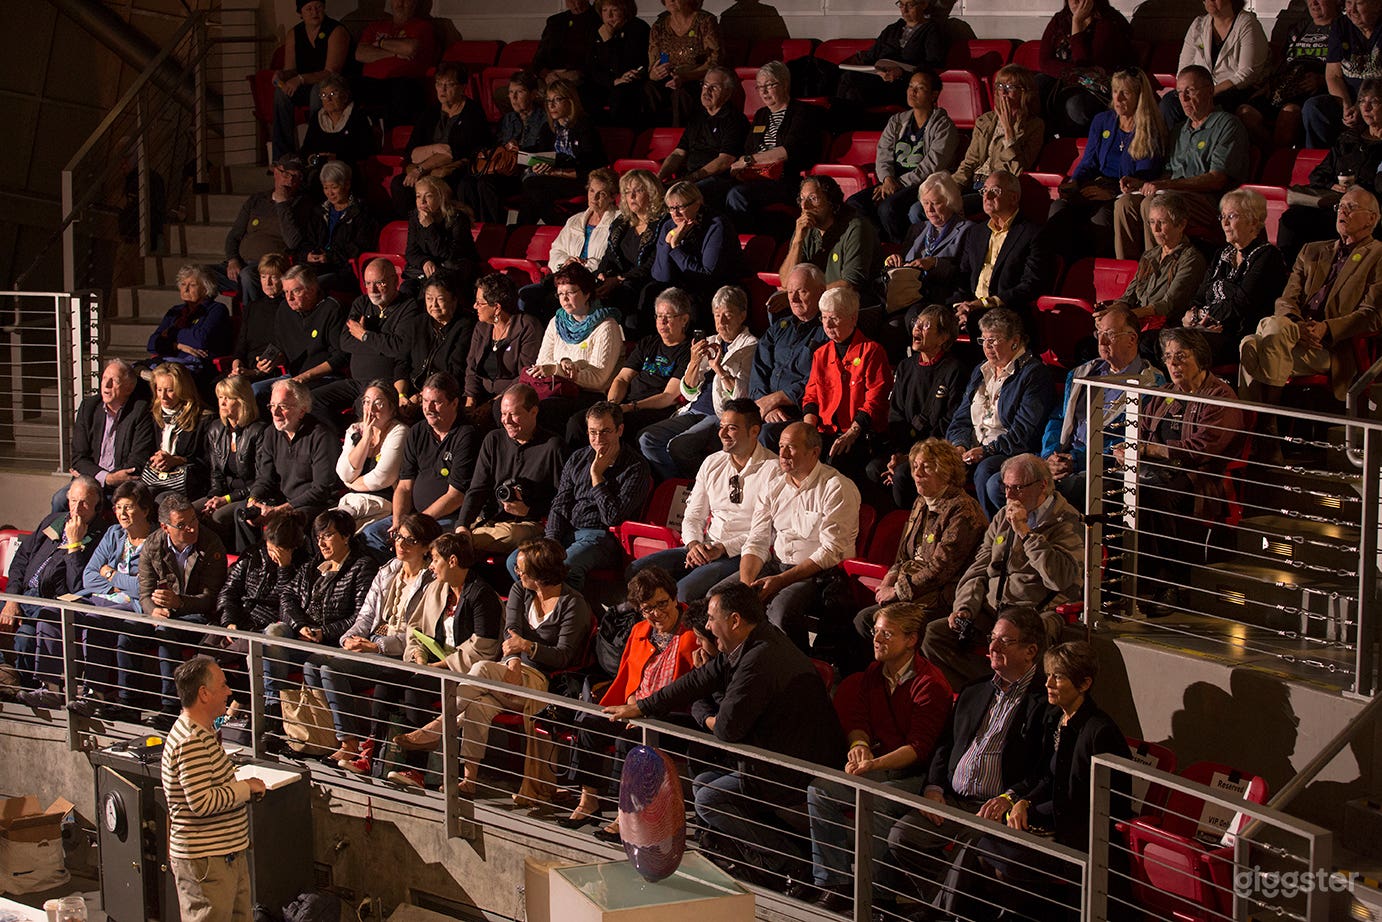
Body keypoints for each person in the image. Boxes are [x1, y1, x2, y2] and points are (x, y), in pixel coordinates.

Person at [603, 581, 846, 890]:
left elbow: (726, 729)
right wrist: (644, 706)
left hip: (791, 767)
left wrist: (703, 713)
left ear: (734, 620)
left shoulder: (762, 659)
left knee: (708, 797)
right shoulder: (749, 643)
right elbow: (699, 680)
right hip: (768, 758)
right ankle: (768, 861)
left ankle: (791, 865)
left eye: (712, 617)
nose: (706, 625)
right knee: (705, 783)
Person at [393, 538, 593, 798]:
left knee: (482, 668)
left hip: (541, 681)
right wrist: (513, 659)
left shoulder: (573, 604)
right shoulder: (521, 591)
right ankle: (469, 779)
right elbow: (512, 628)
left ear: (540, 571)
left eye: (522, 568)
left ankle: (437, 728)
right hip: (508, 671)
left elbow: (564, 656)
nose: (517, 572)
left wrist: (528, 648)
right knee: (477, 707)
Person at [882, 608, 1049, 920]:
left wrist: (1009, 797)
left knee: (967, 855)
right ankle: (950, 910)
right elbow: (945, 744)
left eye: (1005, 642)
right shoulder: (976, 689)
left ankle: (943, 914)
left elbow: (1044, 770)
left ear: (1031, 651)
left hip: (996, 809)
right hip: (953, 801)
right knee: (902, 836)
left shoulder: (1045, 702)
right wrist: (933, 787)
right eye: (992, 639)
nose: (993, 647)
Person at [798, 603, 953, 912]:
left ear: (911, 640)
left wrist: (874, 763)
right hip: (880, 765)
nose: (877, 639)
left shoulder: (931, 685)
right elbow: (859, 720)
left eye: (887, 633)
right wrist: (860, 745)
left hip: (915, 776)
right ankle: (834, 881)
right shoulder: (873, 672)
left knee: (876, 801)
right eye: (876, 632)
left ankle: (878, 896)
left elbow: (918, 749)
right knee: (820, 790)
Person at [974, 641, 1131, 917]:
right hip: (1055, 824)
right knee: (980, 849)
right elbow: (1048, 777)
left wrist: (1030, 809)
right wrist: (1022, 801)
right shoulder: (1056, 718)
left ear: (1084, 684)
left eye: (1058, 677)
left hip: (1083, 841)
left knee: (1003, 865)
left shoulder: (1100, 732)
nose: (1048, 683)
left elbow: (1089, 803)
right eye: (1048, 675)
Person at [923, 455, 1082, 690]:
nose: (1008, 496)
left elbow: (1059, 578)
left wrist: (1025, 533)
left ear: (1043, 485)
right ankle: (986, 690)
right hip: (995, 610)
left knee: (1027, 641)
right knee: (935, 636)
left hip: (1034, 613)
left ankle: (1010, 693)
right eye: (1006, 487)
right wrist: (965, 608)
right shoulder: (1001, 518)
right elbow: (978, 568)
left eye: (1017, 488)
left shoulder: (1067, 521)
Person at [561, 567, 699, 835]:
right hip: (636, 707)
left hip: (674, 716)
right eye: (648, 609)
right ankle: (589, 801)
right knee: (590, 724)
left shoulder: (693, 633)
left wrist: (642, 710)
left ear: (674, 599)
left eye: (662, 604)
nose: (656, 614)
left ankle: (626, 815)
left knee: (629, 739)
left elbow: (692, 689)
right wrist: (632, 700)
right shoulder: (639, 630)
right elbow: (628, 677)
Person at [306, 513, 446, 773]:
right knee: (312, 664)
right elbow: (366, 616)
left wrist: (377, 647)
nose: (401, 545)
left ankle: (350, 741)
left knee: (330, 669)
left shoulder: (433, 581)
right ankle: (334, 737)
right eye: (398, 537)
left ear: (427, 547)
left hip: (397, 652)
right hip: (372, 642)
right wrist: (349, 638)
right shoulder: (388, 570)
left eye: (410, 540)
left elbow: (421, 634)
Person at [1122, 329, 1244, 611]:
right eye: (1168, 358)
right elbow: (1139, 431)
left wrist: (1150, 451)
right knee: (1107, 490)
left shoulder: (1220, 397)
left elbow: (1200, 449)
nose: (1173, 365)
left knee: (1153, 498)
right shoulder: (1164, 394)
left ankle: (1167, 583)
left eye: (1181, 357)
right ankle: (1128, 577)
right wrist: (1125, 450)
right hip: (1154, 471)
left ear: (1200, 358)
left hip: (1198, 476)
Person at [1241, 186, 1382, 421]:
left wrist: (1326, 328)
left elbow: (1372, 314)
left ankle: (1254, 431)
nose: (1342, 211)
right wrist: (1297, 325)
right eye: (1340, 206)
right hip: (1294, 335)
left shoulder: (1378, 255)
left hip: (1330, 348)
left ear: (1371, 219)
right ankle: (1266, 431)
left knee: (1252, 346)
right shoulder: (1313, 250)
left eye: (1351, 207)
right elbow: (1287, 299)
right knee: (1259, 340)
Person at [725, 420, 861, 649]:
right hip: (776, 565)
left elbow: (830, 552)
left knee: (780, 614)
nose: (783, 454)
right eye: (780, 447)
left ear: (814, 452)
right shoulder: (774, 486)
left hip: (816, 574)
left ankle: (797, 669)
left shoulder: (836, 487)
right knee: (720, 600)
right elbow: (757, 539)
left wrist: (780, 581)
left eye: (791, 447)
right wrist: (746, 585)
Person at [385, 531, 506, 788]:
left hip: (465, 673)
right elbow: (414, 627)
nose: (431, 565)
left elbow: (484, 647)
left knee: (416, 689)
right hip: (429, 663)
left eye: (435, 559)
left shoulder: (481, 595)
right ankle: (370, 758)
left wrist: (438, 666)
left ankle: (416, 771)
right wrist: (417, 654)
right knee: (385, 681)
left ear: (452, 561)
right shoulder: (436, 588)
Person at [629, 399, 779, 599]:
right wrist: (694, 544)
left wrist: (722, 548)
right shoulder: (712, 462)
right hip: (705, 545)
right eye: (721, 427)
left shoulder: (774, 469)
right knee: (636, 572)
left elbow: (768, 532)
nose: (722, 434)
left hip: (742, 554)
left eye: (732, 428)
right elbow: (693, 515)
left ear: (754, 431)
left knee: (683, 593)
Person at [161, 656, 266, 922]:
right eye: (223, 686)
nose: (229, 692)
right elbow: (202, 802)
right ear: (204, 693)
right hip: (207, 862)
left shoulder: (203, 732)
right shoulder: (190, 741)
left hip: (225, 856)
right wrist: (245, 788)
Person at [1113, 65, 1251, 260]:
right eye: (1179, 93)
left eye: (1190, 91)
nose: (1183, 99)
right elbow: (1168, 174)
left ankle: (1158, 272)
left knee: (1153, 204)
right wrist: (1141, 184)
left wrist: (1165, 185)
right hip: (1174, 195)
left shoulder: (1227, 124)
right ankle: (1134, 276)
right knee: (1125, 204)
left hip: (1209, 201)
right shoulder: (1179, 130)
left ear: (1210, 90)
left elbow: (1216, 179)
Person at [855, 439, 987, 638]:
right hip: (915, 593)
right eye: (915, 466)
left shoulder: (962, 510)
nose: (917, 473)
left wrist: (897, 592)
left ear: (946, 472)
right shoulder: (921, 501)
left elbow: (940, 568)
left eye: (926, 467)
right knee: (859, 615)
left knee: (868, 620)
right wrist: (888, 581)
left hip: (942, 597)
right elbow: (903, 556)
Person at [1044, 304, 1166, 508]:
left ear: (1132, 339)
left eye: (1110, 334)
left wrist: (1075, 460)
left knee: (1059, 489)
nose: (1101, 341)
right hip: (1062, 457)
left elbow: (1128, 440)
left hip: (1101, 465)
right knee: (1004, 480)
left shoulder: (1150, 385)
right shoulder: (1081, 373)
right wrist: (1050, 454)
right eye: (1099, 333)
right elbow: (1057, 419)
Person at [265, 510, 379, 730]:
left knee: (275, 650)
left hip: (330, 642)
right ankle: (273, 709)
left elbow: (360, 616)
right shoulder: (314, 564)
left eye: (327, 535)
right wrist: (301, 625)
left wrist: (323, 632)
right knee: (274, 632)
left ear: (346, 536)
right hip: (303, 635)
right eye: (318, 537)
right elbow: (287, 596)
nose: (321, 543)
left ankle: (285, 722)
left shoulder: (362, 566)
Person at [1, 476, 104, 706]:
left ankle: (21, 689)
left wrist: (75, 546)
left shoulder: (100, 536)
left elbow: (77, 585)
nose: (77, 508)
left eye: (85, 503)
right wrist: (12, 599)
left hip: (51, 603)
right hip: (23, 595)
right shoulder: (53, 520)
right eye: (73, 501)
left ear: (96, 506)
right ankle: (4, 673)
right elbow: (20, 561)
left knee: (26, 638)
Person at [637, 285, 757, 479]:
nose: (722, 321)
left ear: (742, 315)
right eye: (717, 315)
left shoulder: (750, 346)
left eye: (728, 314)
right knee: (646, 439)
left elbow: (741, 396)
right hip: (693, 409)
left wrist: (718, 368)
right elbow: (688, 392)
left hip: (720, 415)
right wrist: (694, 361)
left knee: (679, 446)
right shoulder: (710, 341)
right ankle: (677, 485)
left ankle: (695, 487)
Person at [1048, 68, 1169, 259]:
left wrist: (1112, 193)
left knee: (1101, 218)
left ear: (1139, 95)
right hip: (1096, 184)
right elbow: (1089, 161)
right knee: (1059, 209)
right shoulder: (1102, 120)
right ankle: (1063, 271)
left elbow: (1145, 176)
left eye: (1125, 93)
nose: (1118, 98)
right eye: (1115, 91)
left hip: (1125, 193)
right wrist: (1075, 181)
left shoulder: (1150, 128)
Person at [529, 402, 651, 590]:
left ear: (620, 430)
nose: (598, 439)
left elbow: (612, 517)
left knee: (564, 567)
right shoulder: (577, 458)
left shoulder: (636, 467)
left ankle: (572, 614)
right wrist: (551, 541)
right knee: (520, 562)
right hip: (568, 532)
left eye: (605, 431)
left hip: (604, 538)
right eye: (593, 432)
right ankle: (541, 612)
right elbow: (560, 504)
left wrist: (596, 476)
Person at [946, 308, 1054, 517]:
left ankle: (995, 533)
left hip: (1009, 451)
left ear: (1014, 341)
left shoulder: (1034, 374)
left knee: (986, 471)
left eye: (993, 340)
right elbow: (960, 418)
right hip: (973, 448)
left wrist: (987, 451)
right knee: (934, 465)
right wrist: (959, 445)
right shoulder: (981, 370)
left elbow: (1024, 432)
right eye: (983, 340)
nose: (987, 346)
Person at [132, 494, 230, 725]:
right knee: (129, 633)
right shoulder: (152, 545)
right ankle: (127, 703)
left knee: (168, 634)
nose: (191, 528)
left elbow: (210, 598)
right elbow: (144, 592)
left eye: (193, 521)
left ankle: (169, 707)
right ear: (166, 527)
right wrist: (152, 610)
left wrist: (179, 603)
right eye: (182, 525)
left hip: (198, 614)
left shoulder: (211, 543)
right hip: (163, 613)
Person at [362, 372, 476, 554]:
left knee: (420, 542)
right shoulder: (417, 431)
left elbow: (455, 496)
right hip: (414, 517)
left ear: (454, 403)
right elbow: (404, 486)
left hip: (447, 518)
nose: (428, 408)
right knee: (371, 535)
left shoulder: (466, 436)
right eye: (424, 401)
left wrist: (414, 524)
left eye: (436, 402)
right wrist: (399, 521)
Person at [70, 481, 158, 716]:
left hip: (134, 607)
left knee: (97, 619)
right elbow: (88, 576)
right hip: (103, 598)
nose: (122, 513)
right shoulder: (114, 533)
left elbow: (145, 588)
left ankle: (94, 694)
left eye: (128, 507)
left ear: (145, 510)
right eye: (118, 508)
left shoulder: (157, 540)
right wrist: (117, 588)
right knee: (53, 613)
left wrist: (110, 574)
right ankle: (49, 688)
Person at [868, 305, 968, 510]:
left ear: (943, 338)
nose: (917, 329)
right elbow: (895, 413)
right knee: (873, 468)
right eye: (916, 324)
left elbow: (949, 421)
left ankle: (912, 526)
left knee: (904, 474)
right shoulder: (906, 366)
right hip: (904, 446)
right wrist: (898, 454)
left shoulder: (954, 370)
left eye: (926, 326)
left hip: (934, 451)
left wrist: (912, 457)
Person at [848, 69, 962, 244]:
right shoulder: (896, 121)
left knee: (888, 209)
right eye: (910, 86)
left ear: (934, 95)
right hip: (891, 183)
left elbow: (933, 165)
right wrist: (887, 179)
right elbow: (883, 154)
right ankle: (880, 245)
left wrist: (899, 183)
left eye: (920, 88)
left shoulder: (944, 126)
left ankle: (902, 250)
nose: (912, 91)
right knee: (855, 203)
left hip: (921, 184)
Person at [1179, 188, 1289, 366]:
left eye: (1231, 216)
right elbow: (1199, 297)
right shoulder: (1221, 255)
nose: (1224, 223)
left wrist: (1206, 317)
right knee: (1151, 341)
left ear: (1253, 221)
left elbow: (1241, 303)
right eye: (1222, 217)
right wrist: (1193, 317)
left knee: (1182, 348)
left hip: (1239, 336)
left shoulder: (1267, 255)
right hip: (1207, 329)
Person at [1277, 77, 1382, 263]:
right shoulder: (1348, 140)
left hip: (1367, 212)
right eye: (1362, 101)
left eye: (1374, 102)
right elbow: (1317, 175)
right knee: (1291, 219)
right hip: (1334, 206)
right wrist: (1333, 185)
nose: (1365, 108)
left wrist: (1359, 192)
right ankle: (1289, 274)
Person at [455, 383, 566, 557]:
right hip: (491, 519)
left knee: (511, 535)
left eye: (513, 414)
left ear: (533, 412)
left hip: (529, 523)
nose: (506, 421)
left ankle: (458, 544)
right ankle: (462, 540)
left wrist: (529, 510)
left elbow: (563, 501)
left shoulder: (552, 446)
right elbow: (477, 489)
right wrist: (462, 525)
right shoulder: (494, 439)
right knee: (460, 528)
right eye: (503, 414)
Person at [313, 258, 421, 426]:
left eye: (379, 283)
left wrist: (364, 335)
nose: (372, 289)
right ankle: (342, 435)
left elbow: (399, 347)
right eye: (368, 283)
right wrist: (382, 343)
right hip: (355, 382)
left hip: (384, 385)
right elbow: (345, 342)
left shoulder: (408, 306)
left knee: (364, 410)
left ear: (394, 281)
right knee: (312, 401)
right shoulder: (361, 303)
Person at [720, 62, 826, 234]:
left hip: (786, 180)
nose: (763, 91)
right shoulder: (762, 114)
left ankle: (747, 245)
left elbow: (787, 151)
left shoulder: (802, 112)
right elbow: (749, 148)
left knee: (737, 195)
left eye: (769, 85)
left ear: (785, 84)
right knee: (714, 188)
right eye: (760, 87)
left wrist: (748, 161)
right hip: (756, 175)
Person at [946, 170, 1052, 337]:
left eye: (995, 191)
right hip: (972, 308)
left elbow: (1031, 284)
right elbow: (963, 276)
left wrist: (982, 305)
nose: (986, 196)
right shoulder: (976, 232)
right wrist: (961, 306)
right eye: (984, 190)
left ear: (1014, 198)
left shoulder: (1033, 233)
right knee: (930, 317)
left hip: (1007, 311)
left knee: (976, 321)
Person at [800, 287, 892, 473]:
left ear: (853, 318)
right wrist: (807, 429)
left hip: (860, 433)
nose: (828, 324)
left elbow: (876, 399)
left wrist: (853, 431)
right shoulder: (821, 353)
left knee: (833, 463)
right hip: (825, 430)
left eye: (834, 318)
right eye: (824, 318)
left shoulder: (872, 351)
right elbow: (811, 395)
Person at [243, 379, 341, 549]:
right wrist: (254, 499)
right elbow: (264, 478)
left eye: (283, 406)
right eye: (272, 406)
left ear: (302, 410)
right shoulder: (270, 433)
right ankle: (253, 564)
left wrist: (280, 510)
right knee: (242, 514)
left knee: (288, 523)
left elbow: (321, 489)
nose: (275, 412)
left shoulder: (322, 436)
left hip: (314, 504)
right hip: (283, 500)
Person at [529, 263, 626, 435]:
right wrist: (564, 365)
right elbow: (542, 363)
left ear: (587, 293)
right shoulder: (556, 322)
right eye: (560, 294)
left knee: (542, 411)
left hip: (589, 395)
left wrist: (557, 370)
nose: (564, 299)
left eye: (571, 292)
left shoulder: (606, 326)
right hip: (558, 388)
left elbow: (598, 379)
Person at [392, 63, 493, 219]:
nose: (442, 89)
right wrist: (434, 150)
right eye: (439, 84)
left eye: (449, 85)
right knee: (400, 184)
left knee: (463, 184)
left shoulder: (473, 112)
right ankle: (412, 230)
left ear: (462, 87)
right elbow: (411, 153)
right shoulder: (430, 113)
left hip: (459, 170)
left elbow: (453, 153)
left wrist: (421, 168)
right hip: (430, 171)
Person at [518, 168, 619, 319]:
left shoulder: (619, 221)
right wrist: (565, 262)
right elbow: (556, 250)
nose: (594, 197)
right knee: (525, 296)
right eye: (591, 191)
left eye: (602, 194)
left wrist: (582, 266)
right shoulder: (575, 220)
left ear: (612, 197)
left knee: (550, 302)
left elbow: (612, 258)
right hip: (564, 277)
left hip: (592, 280)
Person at [1236, 0, 1339, 147]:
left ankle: (1279, 162)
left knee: (1289, 113)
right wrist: (1270, 81)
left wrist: (1323, 80)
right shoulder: (1298, 28)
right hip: (1284, 88)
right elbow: (1281, 61)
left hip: (1313, 92)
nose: (1314, 3)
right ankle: (1272, 156)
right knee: (1244, 112)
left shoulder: (1343, 28)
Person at [1101, 191, 1208, 327]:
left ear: (1181, 225)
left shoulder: (1191, 259)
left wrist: (1126, 317)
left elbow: (1168, 305)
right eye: (1152, 222)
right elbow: (1128, 296)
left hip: (1166, 326)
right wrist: (1109, 312)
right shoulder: (1149, 255)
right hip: (1139, 322)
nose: (1155, 229)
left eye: (1161, 223)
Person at [750, 263, 828, 449]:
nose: (793, 298)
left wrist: (779, 398)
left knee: (765, 434)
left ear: (821, 292)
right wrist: (766, 404)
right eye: (790, 292)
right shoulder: (778, 328)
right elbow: (759, 369)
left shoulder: (828, 333)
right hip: (766, 408)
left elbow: (820, 380)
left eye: (801, 292)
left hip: (800, 413)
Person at [60, 357, 154, 512]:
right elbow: (78, 457)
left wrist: (107, 479)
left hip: (122, 485)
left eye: (114, 381)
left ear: (129, 388)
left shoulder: (140, 411)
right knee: (60, 499)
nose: (107, 385)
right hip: (91, 480)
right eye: (104, 378)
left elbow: (137, 460)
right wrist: (107, 478)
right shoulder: (88, 407)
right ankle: (60, 536)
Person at [456, 71, 549, 224]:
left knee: (486, 184)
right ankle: (476, 228)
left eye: (519, 92)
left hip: (527, 174)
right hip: (505, 171)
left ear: (533, 95)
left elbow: (545, 156)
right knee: (466, 184)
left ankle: (495, 230)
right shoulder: (508, 119)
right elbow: (496, 147)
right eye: (511, 92)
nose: (513, 97)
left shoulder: (544, 119)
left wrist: (518, 155)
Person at [1161, 0, 1269, 129]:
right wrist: (1188, 91)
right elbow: (1184, 69)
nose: (1209, 0)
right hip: (1198, 90)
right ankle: (1179, 145)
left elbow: (1247, 74)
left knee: (1213, 105)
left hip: (1234, 90)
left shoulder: (1247, 23)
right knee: (1169, 103)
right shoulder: (1198, 25)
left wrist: (1209, 92)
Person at [951, 65, 1045, 213]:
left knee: (950, 208)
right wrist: (952, 187)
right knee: (924, 206)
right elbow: (970, 162)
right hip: (972, 182)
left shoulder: (1034, 126)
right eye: (1000, 85)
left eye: (1010, 86)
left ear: (1024, 92)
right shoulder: (986, 120)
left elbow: (1017, 170)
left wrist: (1009, 131)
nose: (1003, 91)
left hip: (995, 191)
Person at [886, 172, 977, 320]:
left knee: (908, 320)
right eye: (926, 203)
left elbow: (965, 273)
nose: (929, 209)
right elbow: (903, 261)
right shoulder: (916, 229)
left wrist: (934, 263)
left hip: (942, 298)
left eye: (935, 203)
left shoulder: (968, 230)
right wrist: (894, 260)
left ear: (950, 202)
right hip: (908, 296)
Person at [606, 286, 693, 437]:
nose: (662, 321)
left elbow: (668, 396)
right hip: (626, 404)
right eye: (659, 316)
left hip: (653, 410)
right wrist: (612, 406)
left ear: (684, 319)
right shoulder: (648, 343)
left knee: (619, 427)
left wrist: (630, 407)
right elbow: (622, 378)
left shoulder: (688, 351)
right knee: (580, 422)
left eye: (668, 316)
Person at [1034, 0, 1132, 134]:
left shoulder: (1108, 22)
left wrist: (1077, 25)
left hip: (1096, 90)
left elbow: (1084, 63)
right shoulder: (1060, 20)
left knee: (1075, 105)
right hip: (1065, 83)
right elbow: (1044, 62)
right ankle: (1040, 141)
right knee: (1036, 85)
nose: (1075, 1)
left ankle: (1073, 148)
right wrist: (1072, 73)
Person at [222, 156, 311, 304]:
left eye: (296, 176)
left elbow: (293, 242)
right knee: (201, 275)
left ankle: (253, 319)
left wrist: (282, 203)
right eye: (286, 174)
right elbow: (234, 235)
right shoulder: (257, 200)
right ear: (275, 172)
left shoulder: (301, 205)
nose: (290, 180)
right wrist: (232, 259)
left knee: (247, 276)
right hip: (240, 263)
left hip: (268, 267)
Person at [517, 79, 607, 226]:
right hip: (554, 178)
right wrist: (537, 166)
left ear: (570, 101)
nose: (551, 105)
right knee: (533, 187)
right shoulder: (548, 128)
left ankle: (526, 229)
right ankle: (546, 227)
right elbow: (542, 156)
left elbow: (590, 166)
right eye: (548, 101)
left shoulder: (584, 126)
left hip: (581, 179)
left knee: (533, 186)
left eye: (557, 100)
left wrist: (556, 172)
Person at [252, 265, 347, 400]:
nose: (289, 298)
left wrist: (305, 377)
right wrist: (271, 361)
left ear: (312, 289)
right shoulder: (285, 309)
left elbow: (340, 357)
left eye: (296, 291)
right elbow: (282, 349)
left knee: (289, 396)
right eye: (285, 292)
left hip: (324, 378)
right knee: (255, 391)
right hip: (293, 377)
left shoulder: (332, 309)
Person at [649, 181, 740, 321]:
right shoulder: (669, 226)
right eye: (671, 208)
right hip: (680, 285)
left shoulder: (716, 226)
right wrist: (667, 243)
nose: (675, 213)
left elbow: (706, 275)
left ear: (697, 203)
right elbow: (662, 276)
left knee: (692, 305)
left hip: (711, 287)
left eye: (680, 207)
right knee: (649, 293)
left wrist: (675, 247)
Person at [271, 0, 350, 160]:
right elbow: (290, 68)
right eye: (309, 9)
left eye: (318, 7)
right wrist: (282, 75)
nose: (314, 12)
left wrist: (300, 79)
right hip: (305, 83)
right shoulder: (294, 33)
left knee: (319, 92)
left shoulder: (336, 31)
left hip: (331, 84)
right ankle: (283, 156)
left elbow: (331, 72)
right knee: (281, 94)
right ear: (300, 12)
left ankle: (314, 149)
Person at [780, 175, 880, 302]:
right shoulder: (805, 228)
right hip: (812, 302)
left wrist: (807, 296)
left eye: (813, 199)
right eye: (802, 199)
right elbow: (786, 282)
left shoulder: (856, 228)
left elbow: (850, 284)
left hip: (848, 304)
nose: (805, 206)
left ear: (831, 202)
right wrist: (797, 241)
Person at [216, 510, 310, 645]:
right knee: (207, 646)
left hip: (265, 627)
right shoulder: (252, 556)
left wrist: (284, 568)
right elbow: (229, 591)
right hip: (239, 617)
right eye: (269, 549)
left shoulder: (304, 566)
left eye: (277, 552)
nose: (272, 555)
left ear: (291, 549)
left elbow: (288, 604)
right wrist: (229, 621)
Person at [835, 0, 947, 109]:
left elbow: (933, 66)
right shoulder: (892, 29)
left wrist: (902, 73)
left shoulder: (932, 31)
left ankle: (837, 118)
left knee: (851, 83)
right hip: (878, 78)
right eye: (901, 5)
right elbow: (871, 56)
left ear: (924, 4)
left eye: (910, 5)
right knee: (833, 72)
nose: (905, 10)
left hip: (903, 84)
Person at [196, 376, 267, 547]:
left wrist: (226, 499)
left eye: (228, 398)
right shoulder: (215, 429)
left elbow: (261, 480)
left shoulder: (259, 431)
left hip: (250, 495)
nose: (223, 402)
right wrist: (214, 497)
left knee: (218, 517)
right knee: (190, 511)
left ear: (243, 401)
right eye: (220, 397)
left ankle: (231, 562)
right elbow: (216, 473)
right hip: (224, 493)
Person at [465, 273, 543, 426]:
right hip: (481, 396)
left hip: (512, 398)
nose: (475, 307)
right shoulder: (481, 328)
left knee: (497, 411)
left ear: (497, 308)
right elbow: (471, 367)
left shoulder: (527, 327)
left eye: (480, 303)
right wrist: (470, 401)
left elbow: (525, 375)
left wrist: (493, 403)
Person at [1302, 0, 1382, 147]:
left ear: (1377, 5)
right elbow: (1333, 75)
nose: (1352, 10)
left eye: (1359, 3)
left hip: (1378, 100)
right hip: (1350, 98)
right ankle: (1322, 165)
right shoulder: (1341, 25)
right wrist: (1346, 105)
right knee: (1313, 107)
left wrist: (1362, 105)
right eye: (1349, 3)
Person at [656, 67, 749, 191]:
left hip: (716, 180)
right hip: (690, 178)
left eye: (714, 87)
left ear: (727, 93)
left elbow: (724, 161)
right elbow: (678, 153)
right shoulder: (697, 116)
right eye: (705, 85)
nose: (707, 91)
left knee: (680, 193)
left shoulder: (735, 120)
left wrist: (691, 179)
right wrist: (658, 178)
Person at [333, 381, 408, 530]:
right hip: (353, 500)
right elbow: (344, 472)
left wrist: (351, 483)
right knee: (326, 526)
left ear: (392, 409)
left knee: (339, 529)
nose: (370, 409)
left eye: (378, 403)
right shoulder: (355, 429)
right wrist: (366, 437)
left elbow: (382, 478)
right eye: (367, 402)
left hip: (382, 501)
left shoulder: (400, 431)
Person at [353, 0, 439, 128]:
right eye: (396, 0)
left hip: (405, 83)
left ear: (414, 3)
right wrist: (394, 53)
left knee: (403, 90)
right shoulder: (376, 26)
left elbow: (409, 48)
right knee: (345, 84)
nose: (400, 4)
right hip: (371, 83)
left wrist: (380, 43)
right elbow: (360, 54)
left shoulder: (422, 26)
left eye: (405, 0)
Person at [595, 169, 666, 318]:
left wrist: (619, 280)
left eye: (638, 191)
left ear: (652, 193)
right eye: (627, 192)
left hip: (645, 282)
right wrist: (602, 273)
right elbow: (609, 255)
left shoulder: (663, 223)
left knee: (625, 295)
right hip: (617, 280)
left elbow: (652, 264)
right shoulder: (621, 223)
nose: (631, 196)